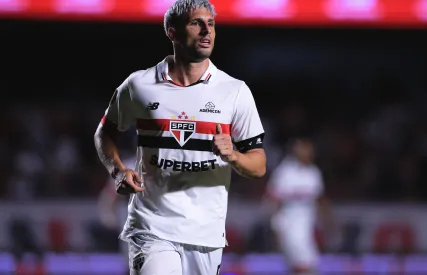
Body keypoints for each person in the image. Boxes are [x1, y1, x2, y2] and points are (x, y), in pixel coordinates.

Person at [93, 0, 267, 274]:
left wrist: (232, 154)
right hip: (151, 227)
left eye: (210, 24)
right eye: (196, 23)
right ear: (172, 33)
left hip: (205, 235)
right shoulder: (139, 85)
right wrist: (117, 169)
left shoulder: (234, 91)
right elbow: (105, 132)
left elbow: (259, 165)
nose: (205, 31)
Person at [265, 139, 330, 275]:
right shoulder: (285, 172)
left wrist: (326, 223)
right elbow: (274, 201)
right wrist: (275, 225)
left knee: (307, 264)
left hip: (307, 226)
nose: (308, 154)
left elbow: (319, 199)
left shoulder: (313, 172)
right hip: (289, 225)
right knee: (302, 264)